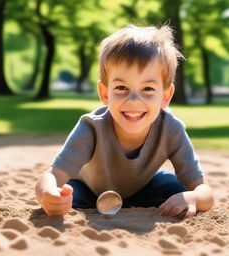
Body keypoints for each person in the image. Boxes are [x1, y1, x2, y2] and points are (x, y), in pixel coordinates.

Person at [35, 24, 214, 217]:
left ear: (165, 96)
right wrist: (48, 194)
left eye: (148, 89)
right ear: (105, 93)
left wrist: (193, 198)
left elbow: (204, 191)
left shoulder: (171, 129)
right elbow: (52, 176)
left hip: (143, 191)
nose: (134, 101)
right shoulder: (92, 127)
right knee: (68, 195)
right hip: (89, 193)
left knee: (173, 186)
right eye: (121, 88)